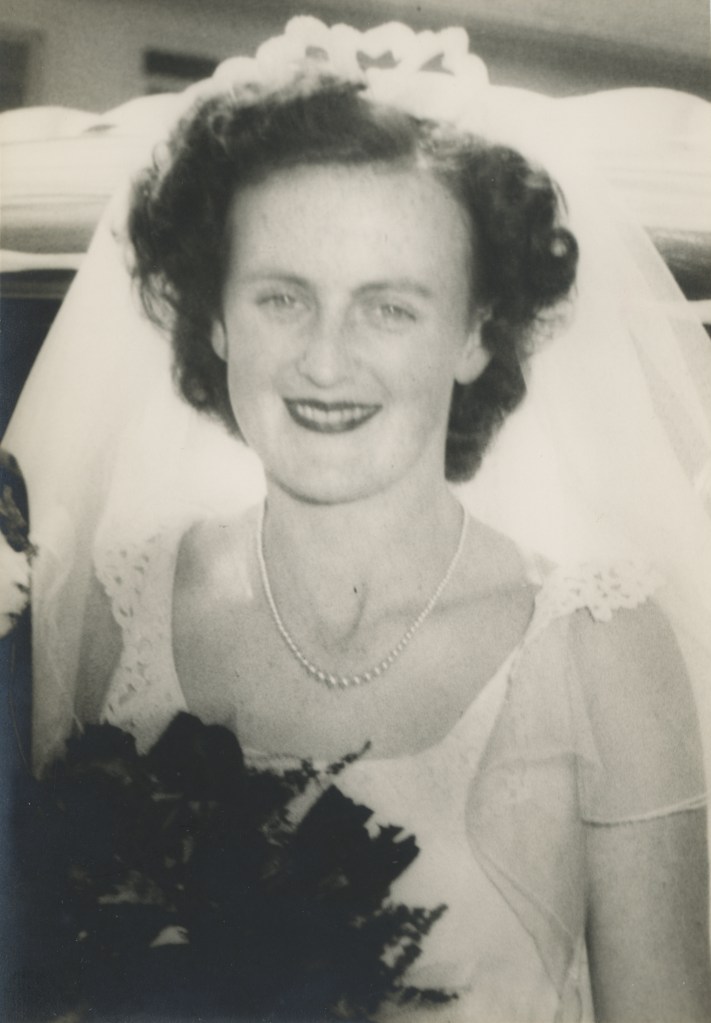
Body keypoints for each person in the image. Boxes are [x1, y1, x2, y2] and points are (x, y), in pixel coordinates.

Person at [4, 17, 711, 1022]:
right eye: (282, 298)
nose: (327, 361)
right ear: (214, 316)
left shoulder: (601, 645)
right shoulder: (108, 611)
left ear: (475, 333)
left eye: (391, 307)